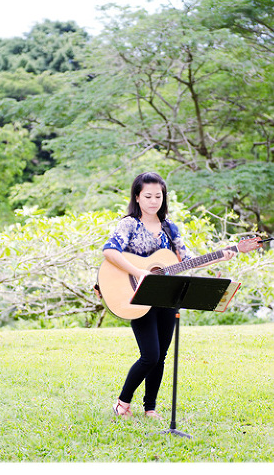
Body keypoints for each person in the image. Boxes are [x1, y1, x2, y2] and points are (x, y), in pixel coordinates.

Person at [102, 172, 235, 420]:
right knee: (149, 355)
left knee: (161, 356)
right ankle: (122, 402)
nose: (154, 201)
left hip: (167, 295)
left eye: (158, 196)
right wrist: (139, 272)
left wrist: (221, 254)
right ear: (138, 197)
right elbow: (110, 251)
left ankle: (150, 407)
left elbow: (188, 259)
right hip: (137, 295)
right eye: (148, 196)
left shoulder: (170, 227)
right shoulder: (129, 224)